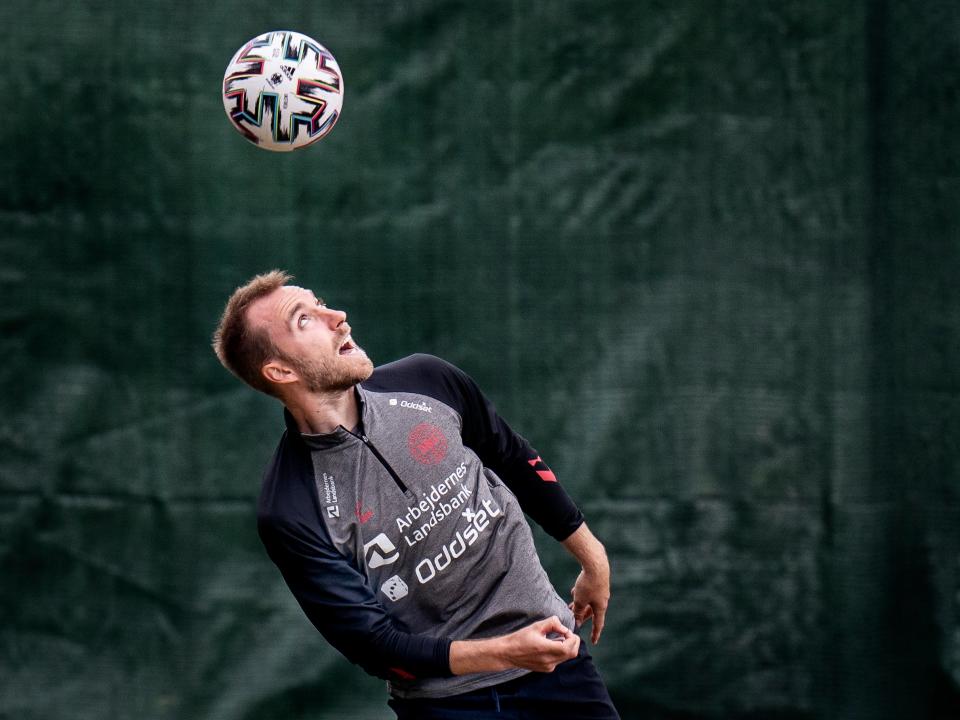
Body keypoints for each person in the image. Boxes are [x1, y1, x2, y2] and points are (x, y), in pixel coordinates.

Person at [212, 270, 620, 719]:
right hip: (447, 707)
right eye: (304, 319)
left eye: (321, 302)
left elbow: (515, 459)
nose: (338, 317)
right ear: (280, 370)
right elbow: (375, 647)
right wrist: (507, 653)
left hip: (561, 667)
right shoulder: (290, 510)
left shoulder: (428, 379)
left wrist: (592, 558)